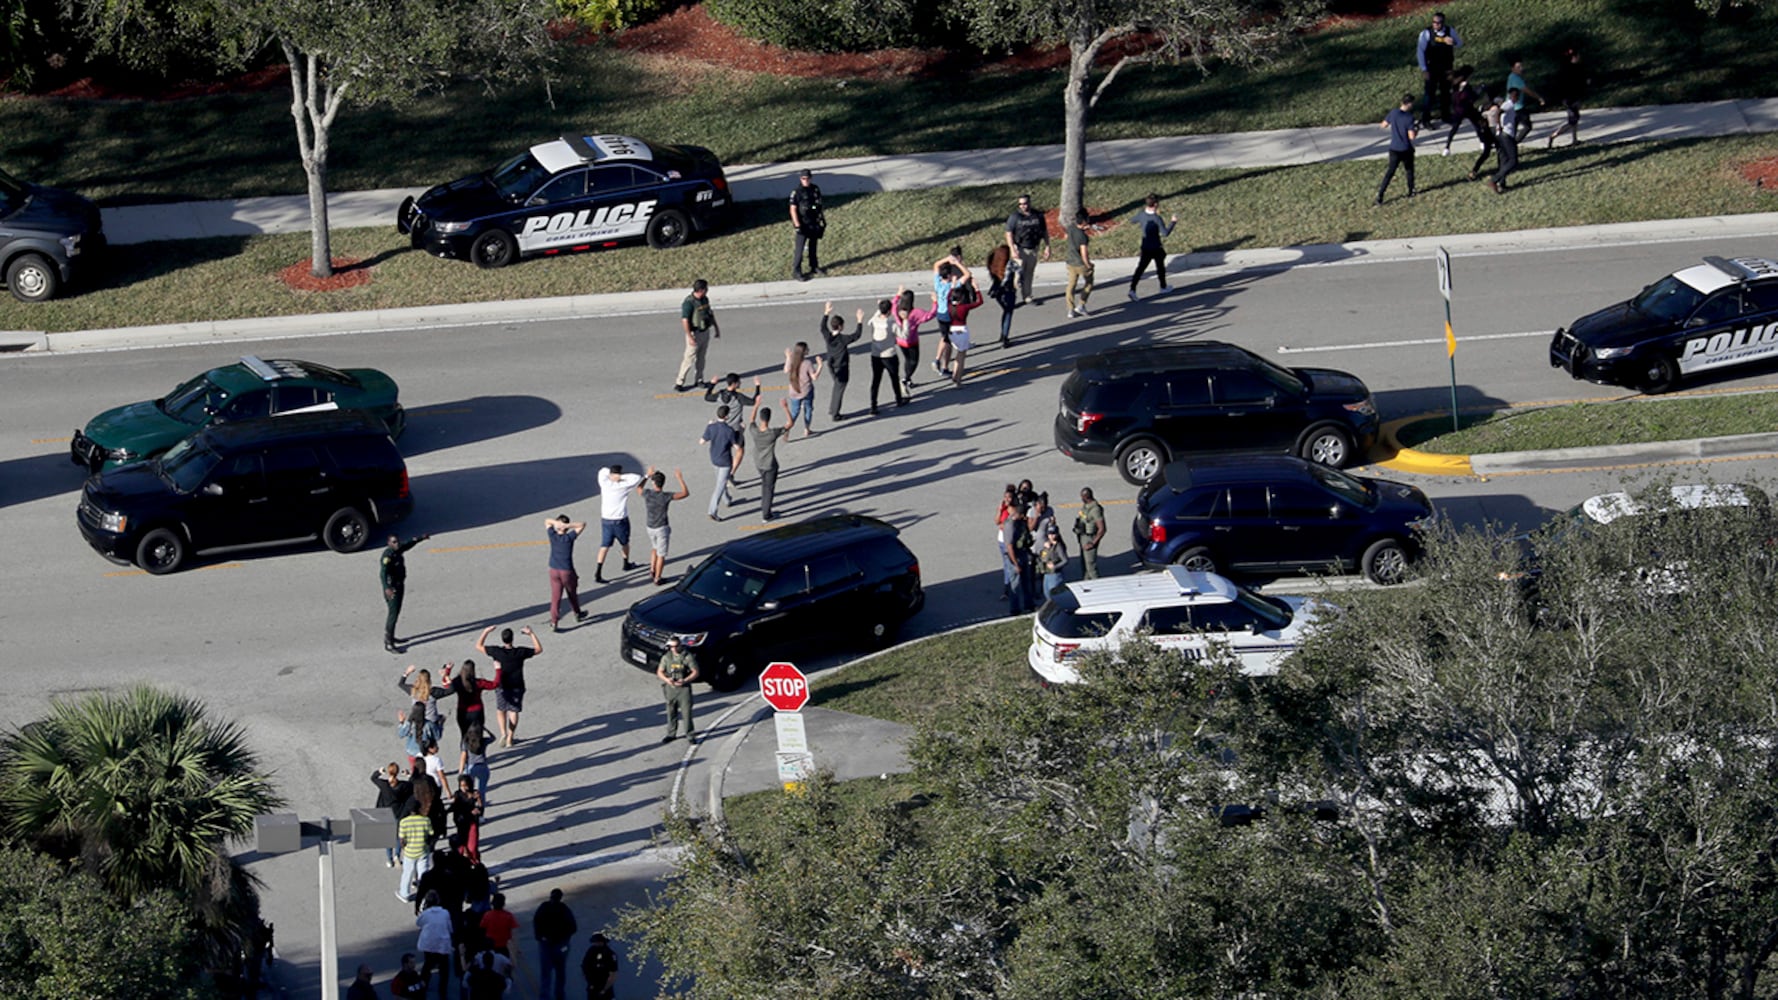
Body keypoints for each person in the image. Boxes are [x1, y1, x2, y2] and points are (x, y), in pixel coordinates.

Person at [476, 625, 539, 747]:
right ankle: (510, 737)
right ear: (512, 639)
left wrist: (485, 631)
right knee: (513, 711)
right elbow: (538, 649)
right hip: (517, 686)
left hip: (501, 685)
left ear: (502, 639)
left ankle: (503, 733)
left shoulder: (497, 652)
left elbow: (478, 646)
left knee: (501, 710)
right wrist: (531, 634)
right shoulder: (520, 652)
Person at [382, 533, 431, 653]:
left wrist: (420, 538)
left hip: (399, 585)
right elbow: (383, 573)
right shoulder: (388, 556)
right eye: (394, 542)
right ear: (389, 543)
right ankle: (389, 642)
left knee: (396, 612)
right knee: (393, 615)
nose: (397, 543)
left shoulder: (398, 550)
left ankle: (392, 636)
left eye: (397, 541)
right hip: (392, 589)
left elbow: (408, 544)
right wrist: (387, 588)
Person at [594, 464, 644, 583]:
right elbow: (636, 477)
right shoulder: (623, 485)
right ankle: (626, 563)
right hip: (620, 520)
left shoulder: (604, 482)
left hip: (606, 520)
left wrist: (612, 475)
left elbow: (602, 470)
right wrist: (621, 478)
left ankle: (598, 572)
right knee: (625, 543)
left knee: (604, 546)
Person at [641, 467, 689, 585]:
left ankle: (652, 569)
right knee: (661, 554)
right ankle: (658, 577)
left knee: (654, 548)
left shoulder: (647, 494)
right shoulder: (666, 496)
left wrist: (646, 476)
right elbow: (685, 493)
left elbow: (638, 488)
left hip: (650, 526)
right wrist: (680, 479)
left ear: (653, 483)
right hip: (662, 527)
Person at [1415, 10, 1462, 129]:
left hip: (1446, 68)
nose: (1436, 25)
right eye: (1434, 22)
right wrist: (1424, 69)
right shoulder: (1426, 34)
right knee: (1429, 95)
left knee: (1445, 93)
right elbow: (1420, 52)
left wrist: (1453, 42)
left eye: (1439, 23)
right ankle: (1426, 119)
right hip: (1432, 68)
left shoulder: (1450, 31)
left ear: (1443, 23)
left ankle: (1445, 115)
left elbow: (1460, 43)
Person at [748, 397, 793, 521]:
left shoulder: (754, 431)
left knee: (764, 484)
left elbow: (751, 420)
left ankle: (765, 507)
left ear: (761, 418)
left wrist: (756, 405)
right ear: (769, 419)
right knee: (768, 489)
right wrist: (785, 408)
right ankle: (766, 514)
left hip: (758, 462)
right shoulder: (773, 433)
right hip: (770, 464)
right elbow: (789, 424)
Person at [543, 515, 590, 632]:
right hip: (566, 571)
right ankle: (577, 613)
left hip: (553, 570)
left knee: (556, 597)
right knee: (572, 593)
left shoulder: (552, 535)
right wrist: (567, 526)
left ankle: (554, 622)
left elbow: (547, 521)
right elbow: (582, 524)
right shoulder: (569, 537)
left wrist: (556, 524)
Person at [819, 302, 864, 421]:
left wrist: (826, 312)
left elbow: (822, 327)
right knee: (840, 389)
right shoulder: (843, 339)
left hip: (832, 366)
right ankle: (835, 413)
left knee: (836, 387)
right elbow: (856, 335)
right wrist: (859, 321)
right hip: (842, 368)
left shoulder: (828, 337)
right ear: (840, 327)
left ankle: (833, 409)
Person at [1127, 194, 1177, 300]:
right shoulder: (1156, 218)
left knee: (1140, 269)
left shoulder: (1141, 214)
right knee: (1160, 267)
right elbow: (1165, 233)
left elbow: (1132, 220)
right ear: (1155, 204)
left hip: (1145, 247)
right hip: (1156, 247)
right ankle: (1163, 287)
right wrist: (1173, 222)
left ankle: (1132, 289)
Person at [1004, 193, 1050, 305]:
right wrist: (1012, 249)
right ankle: (1010, 299)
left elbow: (1044, 232)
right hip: (1020, 249)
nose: (1023, 206)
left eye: (1025, 203)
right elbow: (1008, 233)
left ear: (1029, 202)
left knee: (1029, 273)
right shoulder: (1015, 217)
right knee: (1017, 276)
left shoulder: (1038, 215)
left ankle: (1027, 296)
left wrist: (1048, 247)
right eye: (1020, 204)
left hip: (1033, 249)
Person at [674, 279, 720, 392]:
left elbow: (710, 313)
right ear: (701, 290)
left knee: (701, 358)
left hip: (705, 332)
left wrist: (716, 327)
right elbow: (685, 320)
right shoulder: (688, 303)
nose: (707, 291)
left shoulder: (705, 300)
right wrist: (689, 336)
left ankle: (699, 380)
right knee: (688, 359)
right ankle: (679, 382)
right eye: (706, 289)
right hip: (695, 334)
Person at [534, 888, 579, 1000]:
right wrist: (564, 938)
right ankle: (559, 995)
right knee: (560, 971)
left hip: (546, 944)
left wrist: (540, 937)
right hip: (561, 945)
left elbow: (536, 922)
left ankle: (545, 996)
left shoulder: (544, 907)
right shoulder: (564, 909)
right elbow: (573, 927)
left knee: (546, 972)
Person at [1375, 93, 1419, 206]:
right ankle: (1411, 191)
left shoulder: (1393, 112)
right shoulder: (1409, 118)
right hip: (1406, 149)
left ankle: (1380, 195)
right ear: (1409, 104)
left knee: (1390, 172)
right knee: (1409, 170)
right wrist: (1416, 129)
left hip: (1394, 148)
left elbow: (1383, 125)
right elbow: (1411, 137)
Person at [865, 297, 907, 415]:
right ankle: (898, 399)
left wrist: (879, 308)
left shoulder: (873, 321)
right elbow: (904, 335)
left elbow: (875, 316)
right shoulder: (892, 323)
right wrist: (905, 320)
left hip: (876, 355)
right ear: (889, 311)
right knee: (894, 378)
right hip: (889, 355)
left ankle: (873, 405)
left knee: (876, 380)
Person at [700, 405, 742, 521]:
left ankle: (727, 499)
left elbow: (702, 442)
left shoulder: (711, 427)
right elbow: (737, 447)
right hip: (725, 461)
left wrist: (708, 426)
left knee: (721, 480)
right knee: (720, 485)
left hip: (714, 458)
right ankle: (712, 511)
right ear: (727, 416)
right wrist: (740, 432)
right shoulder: (729, 430)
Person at [891, 286, 936, 394]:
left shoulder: (897, 309)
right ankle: (905, 379)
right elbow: (930, 315)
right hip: (912, 341)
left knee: (907, 359)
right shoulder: (916, 312)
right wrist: (935, 303)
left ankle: (908, 379)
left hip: (900, 340)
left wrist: (898, 294)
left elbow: (893, 304)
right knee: (914, 361)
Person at [657, 635, 700, 743]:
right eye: (671, 647)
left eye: (676, 646)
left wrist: (685, 680)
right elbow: (659, 672)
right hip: (670, 688)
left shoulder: (686, 656)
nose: (674, 649)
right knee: (671, 712)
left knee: (686, 713)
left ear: (680, 645)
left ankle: (690, 734)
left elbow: (695, 671)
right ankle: (671, 734)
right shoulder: (667, 657)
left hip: (683, 689)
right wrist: (667, 680)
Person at [372, 762, 415, 867]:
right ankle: (397, 855)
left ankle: (389, 859)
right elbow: (413, 784)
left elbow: (373, 778)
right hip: (399, 813)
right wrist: (409, 775)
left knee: (388, 837)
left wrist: (379, 772)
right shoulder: (403, 786)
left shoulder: (384, 785)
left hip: (386, 814)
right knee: (398, 837)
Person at [415, 892, 457, 1000]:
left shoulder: (426, 914)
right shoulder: (445, 913)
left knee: (427, 965)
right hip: (442, 943)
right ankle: (443, 991)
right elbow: (449, 926)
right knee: (444, 968)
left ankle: (423, 985)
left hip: (429, 943)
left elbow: (419, 923)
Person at [946, 278, 985, 388]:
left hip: (951, 331)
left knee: (957, 354)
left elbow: (947, 297)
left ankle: (954, 374)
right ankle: (958, 380)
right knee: (961, 356)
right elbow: (979, 302)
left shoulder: (950, 307)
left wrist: (952, 287)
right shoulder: (964, 307)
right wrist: (977, 289)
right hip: (962, 331)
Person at [788, 168, 826, 281]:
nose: (806, 180)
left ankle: (814, 266)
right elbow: (793, 209)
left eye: (808, 178)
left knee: (813, 246)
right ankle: (796, 271)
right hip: (803, 223)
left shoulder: (815, 189)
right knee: (799, 249)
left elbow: (818, 204)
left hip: (814, 222)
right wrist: (797, 225)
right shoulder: (797, 192)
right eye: (804, 178)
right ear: (801, 179)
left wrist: (820, 217)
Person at [446, 660, 497, 742]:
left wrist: (447, 671)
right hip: (477, 712)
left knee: (464, 735)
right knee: (477, 736)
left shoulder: (458, 682)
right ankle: (478, 752)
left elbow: (447, 685)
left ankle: (464, 752)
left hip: (462, 711)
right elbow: (494, 684)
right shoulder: (478, 683)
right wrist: (498, 670)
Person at [1545, 48, 1588, 148]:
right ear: (1574, 57)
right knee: (1573, 120)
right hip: (1571, 99)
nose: (1579, 58)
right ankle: (1553, 136)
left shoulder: (1565, 69)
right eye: (1578, 56)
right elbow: (1575, 85)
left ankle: (1575, 139)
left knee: (1575, 119)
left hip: (1570, 98)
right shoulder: (1573, 69)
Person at [399, 666, 450, 745]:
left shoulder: (413, 690)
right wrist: (446, 676)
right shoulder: (433, 692)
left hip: (417, 719)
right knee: (434, 735)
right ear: (429, 680)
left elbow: (401, 684)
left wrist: (407, 672)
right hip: (431, 721)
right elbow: (451, 690)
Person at [1487, 88, 1523, 194]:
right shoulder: (1509, 104)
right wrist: (1499, 125)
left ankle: (1502, 184)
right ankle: (1494, 180)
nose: (1516, 98)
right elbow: (1498, 112)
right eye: (1516, 96)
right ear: (1514, 96)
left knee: (1504, 159)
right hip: (1506, 135)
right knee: (1513, 160)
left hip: (1502, 135)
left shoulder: (1508, 104)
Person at [399, 803, 437, 903]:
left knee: (408, 873)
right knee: (423, 872)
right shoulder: (425, 820)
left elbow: (402, 840)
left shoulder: (404, 822)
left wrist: (404, 848)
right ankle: (425, 894)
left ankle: (404, 894)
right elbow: (431, 833)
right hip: (423, 850)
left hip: (410, 852)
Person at [1001, 500, 1033, 615]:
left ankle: (1028, 605)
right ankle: (1014, 609)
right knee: (1015, 584)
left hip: (1022, 554)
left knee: (1026, 582)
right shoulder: (1010, 525)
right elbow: (1009, 546)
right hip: (1014, 557)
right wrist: (1015, 563)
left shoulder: (1020, 522)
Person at [783, 341, 821, 437]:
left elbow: (786, 370)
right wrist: (820, 365)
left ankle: (787, 429)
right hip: (806, 391)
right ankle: (806, 429)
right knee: (808, 409)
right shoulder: (807, 363)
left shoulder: (792, 361)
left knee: (794, 411)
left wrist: (788, 357)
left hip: (794, 391)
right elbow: (814, 377)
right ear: (804, 352)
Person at [1505, 54, 1545, 144]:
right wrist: (1539, 98)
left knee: (1513, 129)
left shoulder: (1511, 76)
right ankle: (1513, 143)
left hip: (1511, 106)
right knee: (1527, 126)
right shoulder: (1516, 79)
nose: (1521, 69)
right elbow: (1527, 90)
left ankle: (1510, 146)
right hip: (1517, 107)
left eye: (1521, 66)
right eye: (1518, 67)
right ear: (1512, 68)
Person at [985, 244, 1019, 348]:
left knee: (1005, 311)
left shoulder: (993, 265)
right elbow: (1019, 275)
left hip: (997, 292)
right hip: (1008, 291)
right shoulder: (1011, 264)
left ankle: (1003, 334)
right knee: (1008, 313)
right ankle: (1005, 338)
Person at [1063, 209, 1094, 319]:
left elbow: (1072, 235)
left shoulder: (1071, 228)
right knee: (1089, 283)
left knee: (1071, 285)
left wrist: (1083, 229)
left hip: (1070, 263)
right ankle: (1081, 304)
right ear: (1085, 221)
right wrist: (1088, 264)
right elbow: (1084, 253)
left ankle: (1070, 309)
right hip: (1081, 264)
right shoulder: (1083, 237)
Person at [1073, 487, 1107, 580]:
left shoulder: (1095, 510)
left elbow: (1102, 529)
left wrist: (1092, 543)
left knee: (1091, 566)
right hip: (1083, 536)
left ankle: (1097, 586)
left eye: (1082, 497)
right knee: (1084, 565)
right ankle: (1086, 583)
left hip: (1090, 538)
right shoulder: (1086, 507)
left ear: (1086, 497)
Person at [450, 773, 484, 864]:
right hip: (461, 823)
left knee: (472, 847)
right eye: (461, 786)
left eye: (465, 785)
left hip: (472, 822)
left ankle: (474, 863)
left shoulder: (475, 793)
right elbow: (455, 808)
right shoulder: (458, 794)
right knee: (462, 847)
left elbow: (480, 808)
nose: (463, 788)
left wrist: (478, 803)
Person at [458, 723, 493, 807]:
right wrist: (485, 729)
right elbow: (493, 738)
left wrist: (460, 772)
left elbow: (463, 757)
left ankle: (471, 808)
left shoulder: (466, 742)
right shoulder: (483, 741)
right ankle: (481, 812)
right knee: (482, 791)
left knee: (469, 791)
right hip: (483, 766)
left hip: (470, 767)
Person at [480, 892, 520, 957]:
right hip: (505, 946)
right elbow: (514, 932)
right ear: (503, 904)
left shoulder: (487, 915)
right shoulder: (508, 916)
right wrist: (516, 947)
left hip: (491, 946)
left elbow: (482, 929)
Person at [582, 932, 619, 1000]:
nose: (596, 943)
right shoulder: (591, 951)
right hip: (592, 985)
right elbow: (585, 967)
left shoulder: (609, 954)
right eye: (595, 942)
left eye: (598, 941)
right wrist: (589, 981)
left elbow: (613, 974)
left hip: (605, 986)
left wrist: (604, 989)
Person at [1038, 524, 1068, 598]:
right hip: (1046, 573)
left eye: (1053, 534)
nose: (1051, 536)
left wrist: (1055, 566)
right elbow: (1042, 557)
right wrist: (1044, 548)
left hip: (1054, 575)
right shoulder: (1047, 545)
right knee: (1046, 593)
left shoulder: (1058, 547)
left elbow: (1065, 560)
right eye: (1049, 534)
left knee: (1054, 595)